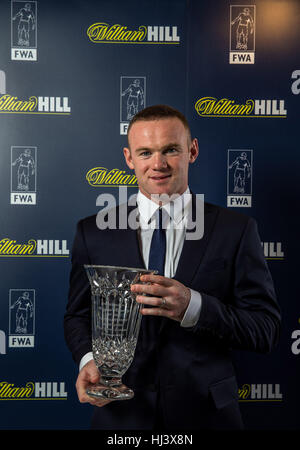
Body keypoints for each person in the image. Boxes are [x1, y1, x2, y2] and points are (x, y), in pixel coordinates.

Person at [64, 104, 281, 430]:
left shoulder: (236, 230)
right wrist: (91, 360)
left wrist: (194, 306)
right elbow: (77, 316)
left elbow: (265, 329)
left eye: (170, 150)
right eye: (145, 152)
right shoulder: (93, 232)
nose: (158, 164)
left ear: (192, 150)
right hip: (122, 420)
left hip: (207, 418)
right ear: (128, 158)